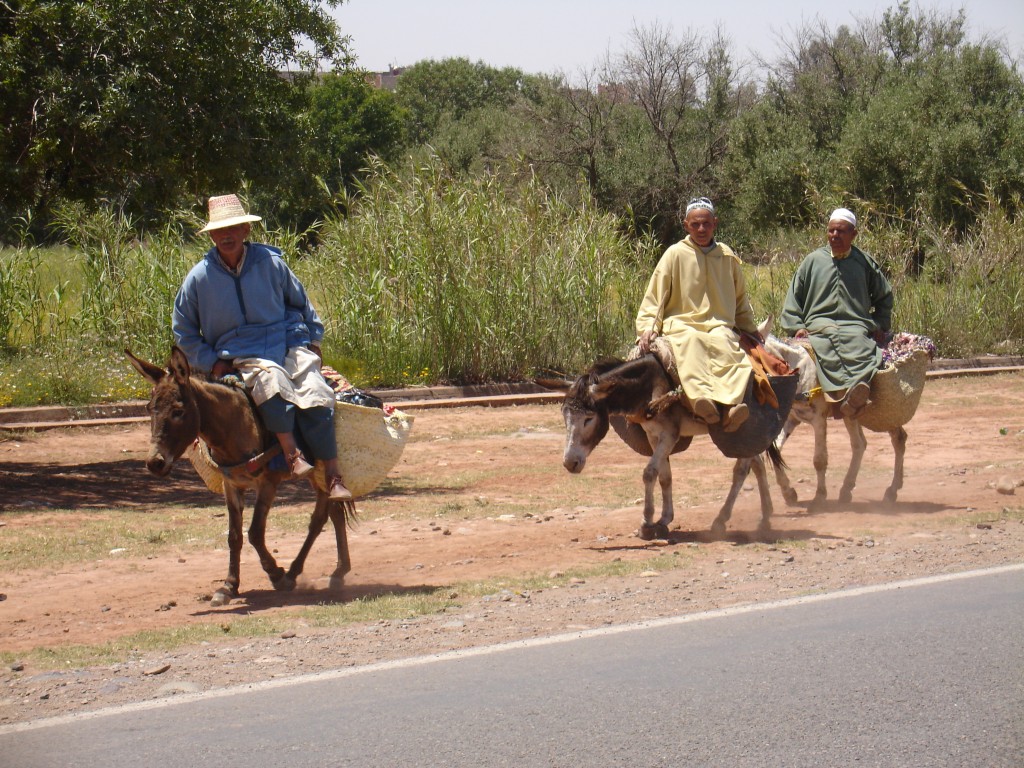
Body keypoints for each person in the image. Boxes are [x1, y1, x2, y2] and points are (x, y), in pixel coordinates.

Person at [172, 194, 352, 501]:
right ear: (212, 235)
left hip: (288, 342)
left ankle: (333, 476)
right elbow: (184, 332)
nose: (226, 236)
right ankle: (292, 455)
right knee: (272, 382)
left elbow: (302, 305)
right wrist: (213, 361)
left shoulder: (272, 263)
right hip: (242, 354)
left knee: (316, 391)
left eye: (233, 228)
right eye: (219, 231)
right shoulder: (198, 279)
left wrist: (313, 342)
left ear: (246, 230)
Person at [635, 197, 759, 432]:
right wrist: (648, 327)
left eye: (706, 224)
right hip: (683, 324)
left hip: (719, 324)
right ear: (685, 225)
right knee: (691, 342)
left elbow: (740, 298)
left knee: (727, 345)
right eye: (695, 225)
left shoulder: (727, 256)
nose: (701, 229)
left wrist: (750, 329)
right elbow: (655, 297)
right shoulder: (674, 254)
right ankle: (700, 401)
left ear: (715, 223)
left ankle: (732, 407)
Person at [779, 207, 894, 419]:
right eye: (831, 231)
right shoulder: (812, 261)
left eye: (841, 231)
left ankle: (855, 396)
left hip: (856, 324)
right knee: (823, 344)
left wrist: (880, 323)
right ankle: (842, 399)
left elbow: (884, 296)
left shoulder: (865, 263)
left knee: (864, 348)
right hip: (819, 324)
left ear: (854, 234)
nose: (835, 235)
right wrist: (797, 327)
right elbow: (793, 298)